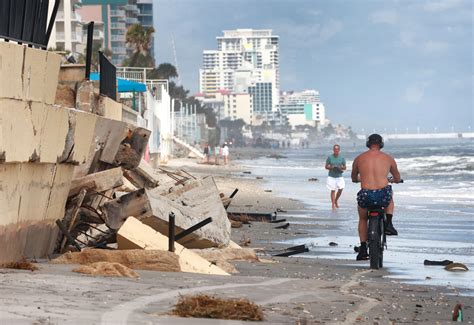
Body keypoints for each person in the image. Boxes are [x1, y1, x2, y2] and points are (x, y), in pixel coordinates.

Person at [351, 134, 401, 261]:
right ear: (381, 144)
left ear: (368, 143)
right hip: (382, 195)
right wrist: (395, 180)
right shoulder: (388, 158)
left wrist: (360, 178)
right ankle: (389, 224)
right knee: (389, 194)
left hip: (366, 195)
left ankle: (363, 249)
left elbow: (353, 178)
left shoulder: (359, 158)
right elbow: (397, 178)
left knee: (362, 218)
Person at [325, 144, 346, 209]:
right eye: (335, 149)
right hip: (331, 176)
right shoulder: (330, 157)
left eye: (337, 149)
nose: (336, 150)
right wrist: (331, 167)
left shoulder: (342, 158)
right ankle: (333, 205)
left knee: (341, 189)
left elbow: (344, 167)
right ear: (333, 150)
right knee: (333, 190)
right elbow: (326, 166)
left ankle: (336, 200)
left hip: (339, 176)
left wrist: (341, 167)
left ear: (339, 150)